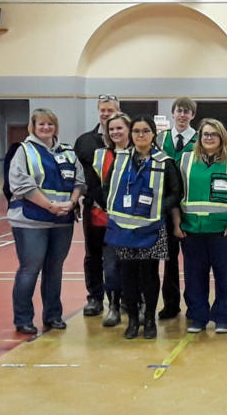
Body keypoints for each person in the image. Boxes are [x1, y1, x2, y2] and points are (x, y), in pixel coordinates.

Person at [7, 108, 85, 335]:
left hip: (63, 220)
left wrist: (71, 202)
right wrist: (50, 207)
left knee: (54, 270)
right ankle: (23, 319)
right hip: (31, 221)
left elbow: (79, 180)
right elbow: (22, 185)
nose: (46, 128)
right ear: (33, 126)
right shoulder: (23, 151)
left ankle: (53, 315)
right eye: (41, 124)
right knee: (30, 269)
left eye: (50, 124)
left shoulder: (68, 152)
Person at [104, 116, 182, 340]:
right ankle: (132, 321)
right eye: (136, 131)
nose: (140, 135)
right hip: (124, 228)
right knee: (127, 276)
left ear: (153, 135)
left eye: (145, 131)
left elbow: (176, 193)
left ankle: (149, 319)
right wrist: (114, 210)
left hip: (152, 228)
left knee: (149, 275)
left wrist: (157, 209)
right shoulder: (120, 159)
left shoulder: (164, 162)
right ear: (131, 134)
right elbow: (107, 188)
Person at [177, 118, 227, 334]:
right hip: (192, 230)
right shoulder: (186, 160)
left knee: (225, 275)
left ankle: (222, 317)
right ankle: (197, 316)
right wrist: (176, 223)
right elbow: (176, 193)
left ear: (222, 137)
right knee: (194, 276)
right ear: (199, 137)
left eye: (213, 134)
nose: (209, 138)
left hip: (224, 231)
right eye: (205, 134)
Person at [74, 94, 119, 318]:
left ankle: (116, 301)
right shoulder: (84, 141)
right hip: (93, 210)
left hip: (120, 213)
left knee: (116, 258)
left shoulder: (125, 143)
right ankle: (94, 298)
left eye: (110, 110)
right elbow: (75, 175)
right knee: (92, 256)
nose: (105, 114)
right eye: (102, 110)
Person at [89, 112, 133, 327]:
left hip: (135, 223)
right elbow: (94, 186)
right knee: (112, 267)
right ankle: (113, 306)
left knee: (135, 268)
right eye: (111, 129)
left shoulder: (140, 154)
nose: (115, 132)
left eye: (120, 128)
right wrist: (111, 205)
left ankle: (136, 305)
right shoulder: (100, 155)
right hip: (107, 222)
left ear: (129, 130)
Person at [155, 97, 198, 320]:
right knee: (169, 260)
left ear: (193, 116)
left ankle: (194, 304)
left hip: (190, 208)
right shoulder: (160, 139)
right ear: (172, 113)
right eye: (179, 111)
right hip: (166, 207)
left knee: (192, 262)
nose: (182, 115)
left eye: (187, 112)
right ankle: (171, 304)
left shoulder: (200, 140)